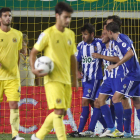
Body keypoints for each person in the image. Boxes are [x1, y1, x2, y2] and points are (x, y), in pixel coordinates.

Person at [30, 2, 78, 140]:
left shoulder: (70, 34)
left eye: (69, 17)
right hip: (52, 79)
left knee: (61, 112)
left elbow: (72, 57)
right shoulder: (47, 34)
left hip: (66, 79)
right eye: (65, 17)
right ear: (57, 16)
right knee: (58, 111)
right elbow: (33, 52)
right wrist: (33, 70)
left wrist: (75, 78)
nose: (68, 20)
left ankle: (38, 136)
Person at [69, 23, 107, 137]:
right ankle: (107, 127)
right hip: (85, 79)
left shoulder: (100, 43)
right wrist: (76, 72)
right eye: (82, 34)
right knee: (94, 103)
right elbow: (76, 60)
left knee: (85, 101)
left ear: (92, 34)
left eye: (85, 34)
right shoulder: (80, 45)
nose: (83, 37)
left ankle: (81, 131)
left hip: (94, 78)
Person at [105, 22, 140, 138]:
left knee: (116, 98)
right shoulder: (118, 39)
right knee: (136, 101)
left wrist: (116, 65)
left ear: (110, 32)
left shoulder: (120, 39)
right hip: (134, 74)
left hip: (132, 75)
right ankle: (128, 133)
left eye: (106, 33)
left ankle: (119, 130)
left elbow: (130, 53)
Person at [0, 7, 24, 140]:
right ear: (0, 19)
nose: (8, 18)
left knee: (14, 105)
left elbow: (18, 55)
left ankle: (15, 135)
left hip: (13, 78)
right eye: (5, 15)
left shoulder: (18, 34)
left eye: (9, 15)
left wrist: (15, 70)